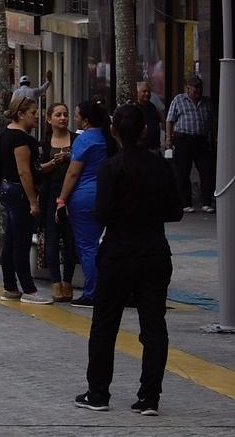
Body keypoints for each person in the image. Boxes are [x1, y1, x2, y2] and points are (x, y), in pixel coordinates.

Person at [74, 104, 184, 414]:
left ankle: (98, 393)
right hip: (154, 251)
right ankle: (149, 397)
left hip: (118, 253)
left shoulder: (110, 167)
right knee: (153, 326)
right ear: (144, 130)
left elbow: (101, 213)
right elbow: (175, 211)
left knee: (105, 325)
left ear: (113, 131)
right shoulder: (161, 167)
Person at [58, 100, 118, 308]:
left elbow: (73, 172)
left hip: (83, 198)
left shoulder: (84, 141)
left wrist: (62, 198)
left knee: (87, 246)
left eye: (75, 114)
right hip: (106, 196)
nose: (73, 117)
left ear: (85, 120)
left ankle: (92, 293)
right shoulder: (108, 138)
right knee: (104, 244)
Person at [0, 95, 53, 304]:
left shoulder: (7, 134)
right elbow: (24, 172)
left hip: (9, 189)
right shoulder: (19, 138)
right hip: (19, 191)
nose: (35, 117)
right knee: (20, 241)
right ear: (21, 114)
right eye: (32, 113)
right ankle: (28, 289)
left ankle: (10, 285)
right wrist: (32, 201)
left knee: (12, 239)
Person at [39, 103, 77, 303]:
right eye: (58, 115)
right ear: (49, 119)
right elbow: (37, 169)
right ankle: (55, 281)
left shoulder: (77, 140)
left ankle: (68, 281)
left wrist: (71, 157)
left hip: (72, 194)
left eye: (65, 114)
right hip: (50, 194)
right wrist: (54, 161)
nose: (62, 118)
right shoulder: (44, 143)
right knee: (52, 238)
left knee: (71, 240)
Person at [164, 75, 215, 213]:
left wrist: (212, 137)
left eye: (199, 87)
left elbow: (212, 121)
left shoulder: (207, 102)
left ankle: (206, 202)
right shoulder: (179, 100)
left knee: (206, 170)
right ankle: (185, 203)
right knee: (183, 171)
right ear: (188, 88)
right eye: (195, 88)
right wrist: (169, 138)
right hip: (183, 139)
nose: (197, 90)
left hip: (201, 139)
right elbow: (170, 120)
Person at [136, 81, 163, 152]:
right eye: (144, 91)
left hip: (155, 147)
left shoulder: (152, 107)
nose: (147, 94)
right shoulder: (134, 108)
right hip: (140, 150)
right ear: (138, 92)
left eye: (149, 92)